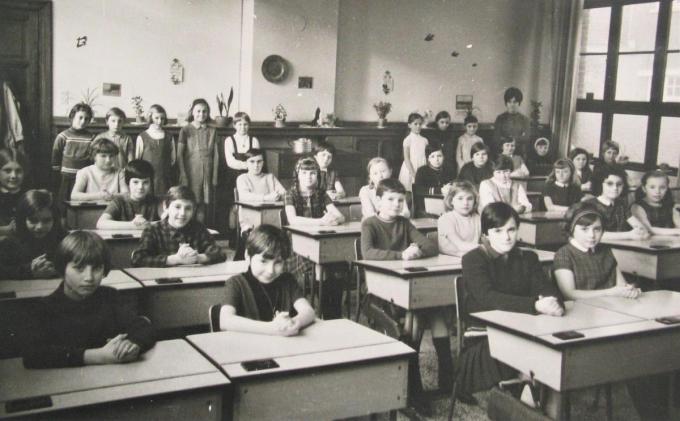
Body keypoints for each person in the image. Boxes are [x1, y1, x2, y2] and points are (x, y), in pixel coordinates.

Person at [457, 202, 564, 402]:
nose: (506, 237)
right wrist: (534, 305)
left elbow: (546, 288)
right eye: (498, 231)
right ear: (486, 233)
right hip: (484, 335)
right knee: (534, 357)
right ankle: (528, 396)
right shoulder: (473, 259)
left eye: (511, 230)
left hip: (526, 329)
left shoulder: (528, 257)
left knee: (551, 354)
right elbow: (487, 297)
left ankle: (530, 397)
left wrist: (552, 301)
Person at [360, 178, 443, 414]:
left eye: (400, 200)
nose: (396, 205)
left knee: (414, 321)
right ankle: (412, 389)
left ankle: (410, 387)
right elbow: (368, 252)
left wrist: (416, 250)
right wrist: (401, 255)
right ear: (378, 200)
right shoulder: (370, 224)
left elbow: (430, 246)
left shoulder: (405, 223)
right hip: (377, 296)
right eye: (391, 200)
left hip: (405, 291)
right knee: (409, 324)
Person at [22, 231, 155, 368]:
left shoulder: (110, 296)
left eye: (97, 268)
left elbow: (142, 325)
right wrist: (98, 356)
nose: (89, 277)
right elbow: (33, 355)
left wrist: (133, 343)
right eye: (79, 268)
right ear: (62, 269)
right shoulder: (45, 307)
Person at [213, 224, 315, 335]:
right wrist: (272, 328)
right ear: (248, 256)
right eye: (263, 261)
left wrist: (293, 322)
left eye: (278, 262)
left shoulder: (288, 281)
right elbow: (225, 321)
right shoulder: (235, 283)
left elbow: (308, 312)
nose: (270, 270)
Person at [284, 157, 345, 318]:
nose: (308, 177)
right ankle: (322, 310)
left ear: (318, 175)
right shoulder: (291, 194)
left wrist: (333, 220)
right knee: (320, 266)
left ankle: (332, 311)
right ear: (297, 175)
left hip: (321, 240)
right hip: (298, 243)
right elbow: (293, 220)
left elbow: (341, 217)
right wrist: (320, 221)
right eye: (304, 173)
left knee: (338, 267)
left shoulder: (321, 193)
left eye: (312, 173)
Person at [554, 202, 642, 300]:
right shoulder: (564, 254)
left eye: (597, 229)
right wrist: (610, 293)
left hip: (610, 307)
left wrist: (629, 291)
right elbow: (570, 294)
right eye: (584, 229)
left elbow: (621, 285)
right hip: (582, 310)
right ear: (571, 230)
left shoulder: (606, 250)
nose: (591, 235)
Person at [131, 185, 226, 267]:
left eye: (188, 208)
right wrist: (176, 259)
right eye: (177, 207)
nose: (182, 213)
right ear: (165, 207)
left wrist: (197, 258)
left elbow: (220, 253)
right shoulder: (152, 231)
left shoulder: (198, 228)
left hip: (192, 278)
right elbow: (138, 259)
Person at [0, 190, 66, 280]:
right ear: (22, 219)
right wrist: (29, 271)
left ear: (55, 220)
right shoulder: (9, 244)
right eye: (33, 220)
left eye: (46, 220)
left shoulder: (64, 241)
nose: (40, 227)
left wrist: (57, 269)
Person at [234, 148, 286, 259]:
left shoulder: (270, 177)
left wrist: (278, 195)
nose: (256, 165)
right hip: (249, 220)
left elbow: (284, 193)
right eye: (252, 162)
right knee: (255, 234)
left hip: (272, 219)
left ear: (263, 163)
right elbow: (244, 196)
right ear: (246, 163)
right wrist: (267, 198)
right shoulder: (242, 178)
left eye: (259, 161)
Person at [218, 111, 261, 234]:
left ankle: (249, 234)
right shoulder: (229, 140)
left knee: (249, 206)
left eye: (246, 124)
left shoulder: (254, 140)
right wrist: (248, 165)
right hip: (233, 177)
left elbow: (257, 159)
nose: (243, 127)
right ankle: (233, 237)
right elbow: (231, 162)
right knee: (235, 207)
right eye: (240, 124)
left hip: (251, 177)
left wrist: (251, 167)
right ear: (234, 125)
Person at [177, 98, 219, 223]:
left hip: (207, 172)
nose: (201, 114)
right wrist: (183, 174)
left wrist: (215, 176)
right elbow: (179, 155)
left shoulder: (212, 131)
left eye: (204, 111)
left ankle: (200, 231)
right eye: (198, 111)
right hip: (191, 172)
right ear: (192, 112)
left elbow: (216, 155)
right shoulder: (185, 130)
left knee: (203, 204)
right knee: (190, 201)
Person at [583, 165, 649, 241]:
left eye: (619, 184)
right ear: (600, 184)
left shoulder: (621, 204)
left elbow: (640, 227)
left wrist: (641, 231)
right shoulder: (590, 205)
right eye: (609, 184)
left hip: (620, 246)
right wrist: (629, 235)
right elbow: (594, 234)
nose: (615, 188)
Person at [96, 160, 159, 230]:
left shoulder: (155, 201)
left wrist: (147, 224)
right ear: (128, 182)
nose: (140, 187)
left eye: (145, 182)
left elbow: (167, 222)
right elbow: (101, 223)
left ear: (151, 183)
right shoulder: (119, 201)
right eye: (135, 182)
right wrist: (133, 225)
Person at [52, 102, 94, 203]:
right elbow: (56, 157)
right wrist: (57, 175)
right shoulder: (63, 136)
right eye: (80, 117)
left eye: (86, 119)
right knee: (64, 202)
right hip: (66, 176)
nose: (83, 121)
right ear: (72, 117)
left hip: (84, 177)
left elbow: (92, 158)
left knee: (80, 202)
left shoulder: (91, 137)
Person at [135, 104, 176, 196]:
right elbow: (138, 159)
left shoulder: (169, 137)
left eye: (162, 118)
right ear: (150, 118)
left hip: (164, 178)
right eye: (156, 118)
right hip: (148, 178)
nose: (159, 121)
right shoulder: (142, 137)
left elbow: (173, 159)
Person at [438, 181, 481, 257]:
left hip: (472, 256)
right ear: (451, 201)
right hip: (449, 261)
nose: (465, 203)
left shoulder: (477, 218)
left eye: (470, 199)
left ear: (475, 201)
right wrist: (486, 248)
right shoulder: (445, 219)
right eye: (460, 198)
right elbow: (460, 245)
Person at [630, 170, 680, 235]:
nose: (657, 191)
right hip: (645, 243)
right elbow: (648, 229)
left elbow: (678, 224)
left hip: (669, 242)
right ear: (644, 189)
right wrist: (677, 231)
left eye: (662, 187)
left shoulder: (670, 206)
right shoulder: (637, 207)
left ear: (667, 189)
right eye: (652, 187)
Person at [413, 144, 456, 216]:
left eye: (439, 156)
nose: (437, 159)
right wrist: (440, 190)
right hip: (427, 207)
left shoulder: (449, 169)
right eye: (432, 156)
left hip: (447, 204)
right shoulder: (422, 171)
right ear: (428, 159)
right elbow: (418, 190)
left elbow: (455, 184)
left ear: (443, 157)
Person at [492, 87, 531, 156]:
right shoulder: (500, 118)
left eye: (515, 102)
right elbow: (496, 137)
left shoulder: (525, 119)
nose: (512, 104)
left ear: (519, 103)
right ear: (506, 103)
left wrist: (514, 140)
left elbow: (527, 137)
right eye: (509, 102)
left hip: (519, 153)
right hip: (503, 152)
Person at [398, 113, 428, 192]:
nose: (418, 126)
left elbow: (427, 155)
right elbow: (407, 158)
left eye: (420, 124)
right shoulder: (408, 140)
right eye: (415, 124)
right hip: (411, 167)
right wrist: (413, 173)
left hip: (422, 165)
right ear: (409, 125)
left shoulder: (425, 140)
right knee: (409, 190)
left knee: (421, 190)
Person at [0, 148, 27, 236]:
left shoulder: (28, 196)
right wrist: (5, 230)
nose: (13, 176)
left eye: (18, 171)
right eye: (7, 171)